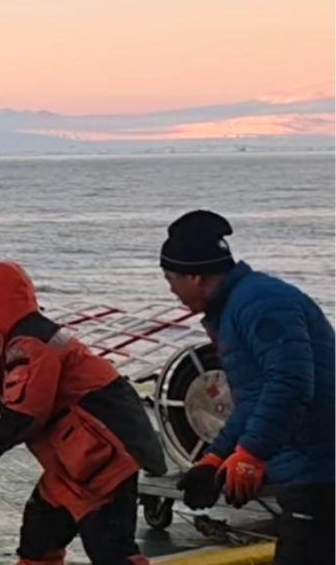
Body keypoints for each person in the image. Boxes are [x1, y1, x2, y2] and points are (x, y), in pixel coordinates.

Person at [0, 260, 166, 565]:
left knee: (112, 554)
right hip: (77, 465)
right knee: (37, 543)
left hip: (104, 465)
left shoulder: (29, 346)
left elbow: (25, 412)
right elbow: (7, 401)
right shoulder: (31, 338)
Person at [160, 210, 336, 562]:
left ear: (195, 276)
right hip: (305, 467)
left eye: (170, 278)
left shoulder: (261, 304)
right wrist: (217, 456)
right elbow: (255, 399)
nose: (170, 289)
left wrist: (252, 453)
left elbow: (291, 382)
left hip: (321, 470)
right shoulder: (238, 304)